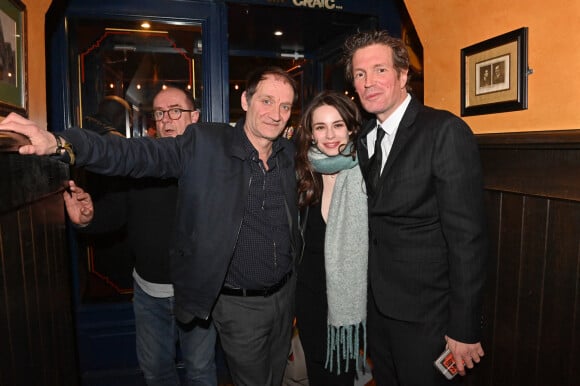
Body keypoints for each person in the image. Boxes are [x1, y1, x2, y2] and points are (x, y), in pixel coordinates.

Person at [0, 66, 301, 386]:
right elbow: (133, 153)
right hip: (235, 306)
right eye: (267, 101)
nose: (275, 114)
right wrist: (63, 143)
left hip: (285, 298)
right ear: (245, 100)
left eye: (284, 106)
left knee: (278, 374)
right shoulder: (205, 145)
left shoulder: (287, 154)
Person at [342, 30, 488, 385]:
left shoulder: (444, 131)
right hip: (380, 313)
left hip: (430, 319)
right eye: (360, 74)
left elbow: (468, 238)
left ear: (403, 75)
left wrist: (464, 327)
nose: (369, 82)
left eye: (379, 70)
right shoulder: (364, 138)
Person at [66, 86, 219, 386]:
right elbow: (115, 212)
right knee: (156, 372)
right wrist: (88, 217)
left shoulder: (213, 167)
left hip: (198, 294)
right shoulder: (140, 163)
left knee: (201, 372)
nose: (166, 119)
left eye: (175, 110)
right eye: (160, 113)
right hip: (149, 295)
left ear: (195, 117)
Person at [293, 91, 367, 385]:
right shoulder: (301, 175)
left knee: (343, 377)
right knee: (318, 375)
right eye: (320, 127)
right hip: (309, 300)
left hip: (352, 301)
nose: (330, 135)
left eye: (337, 125)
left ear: (351, 128)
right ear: (310, 134)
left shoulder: (369, 173)